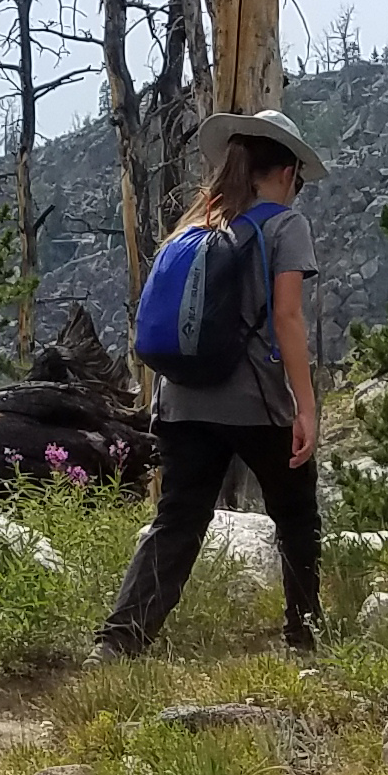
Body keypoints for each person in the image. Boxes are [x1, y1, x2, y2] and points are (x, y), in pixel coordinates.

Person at [99, 112, 325, 654]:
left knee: (177, 519)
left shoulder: (197, 224)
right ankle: (304, 636)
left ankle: (118, 641)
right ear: (288, 172)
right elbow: (288, 319)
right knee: (295, 515)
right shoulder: (284, 226)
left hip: (181, 399)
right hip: (255, 399)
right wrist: (305, 406)